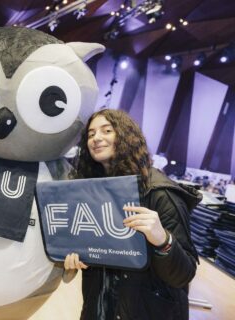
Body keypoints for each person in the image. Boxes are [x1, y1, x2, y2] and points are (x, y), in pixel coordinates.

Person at [64, 109, 200, 320]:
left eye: (106, 131)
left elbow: (184, 274)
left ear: (126, 136)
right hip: (99, 309)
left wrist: (163, 240)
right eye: (91, 134)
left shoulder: (160, 192)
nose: (96, 138)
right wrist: (75, 260)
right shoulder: (92, 192)